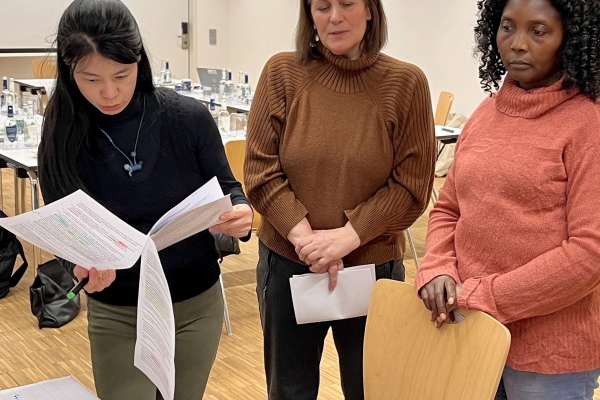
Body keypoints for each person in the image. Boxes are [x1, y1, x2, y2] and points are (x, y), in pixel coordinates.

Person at [37, 0, 253, 399]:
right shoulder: (62, 137)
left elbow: (229, 189)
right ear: (69, 73)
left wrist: (241, 212)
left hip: (194, 304)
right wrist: (79, 264)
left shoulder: (186, 118)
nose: (109, 92)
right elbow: (63, 229)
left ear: (139, 60)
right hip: (118, 310)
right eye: (90, 79)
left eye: (122, 75)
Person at [244, 0, 436, 398]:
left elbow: (412, 186)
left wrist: (346, 238)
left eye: (347, 3)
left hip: (371, 269)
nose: (334, 17)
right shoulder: (282, 72)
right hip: (288, 264)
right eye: (322, 6)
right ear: (309, 13)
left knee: (371, 390)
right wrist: (308, 241)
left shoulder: (406, 83)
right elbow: (260, 171)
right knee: (289, 391)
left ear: (369, 9)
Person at [415, 0, 600, 399]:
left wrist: (484, 296)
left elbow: (590, 252)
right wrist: (437, 267)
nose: (517, 43)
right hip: (467, 331)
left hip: (548, 356)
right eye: (507, 26)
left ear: (570, 37)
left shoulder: (589, 122)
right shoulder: (485, 113)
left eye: (538, 31)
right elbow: (449, 208)